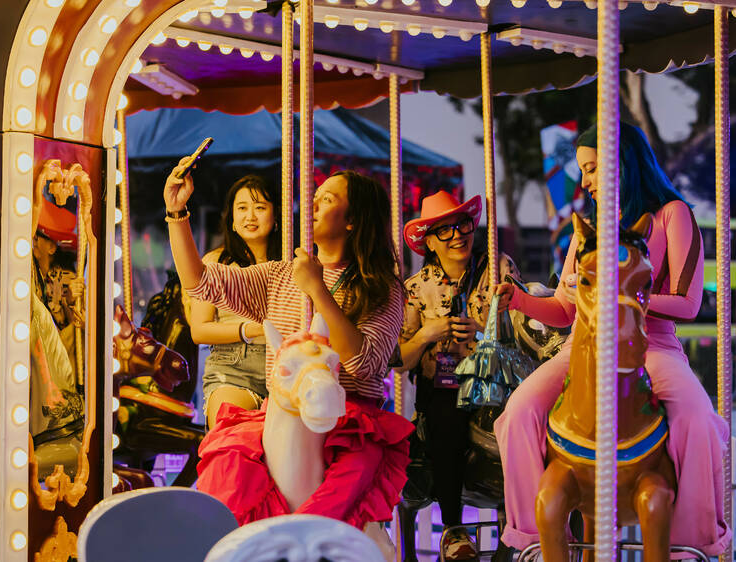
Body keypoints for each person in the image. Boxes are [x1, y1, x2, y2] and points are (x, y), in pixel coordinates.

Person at [491, 122, 731, 555]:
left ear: (623, 164)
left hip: (649, 345)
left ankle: (689, 543)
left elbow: (687, 302)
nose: (584, 181)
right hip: (582, 346)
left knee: (698, 418)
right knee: (518, 410)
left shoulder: (671, 214)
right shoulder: (588, 231)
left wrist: (622, 299)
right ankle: (535, 537)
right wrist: (521, 301)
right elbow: (566, 310)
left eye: (593, 168)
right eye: (583, 170)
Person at [163, 161, 413, 529]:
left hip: (349, 417)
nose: (311, 205)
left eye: (326, 199)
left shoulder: (384, 289)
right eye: (314, 197)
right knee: (226, 460)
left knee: (345, 488)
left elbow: (363, 361)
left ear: (353, 219)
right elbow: (199, 282)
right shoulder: (279, 275)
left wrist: (317, 288)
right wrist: (176, 212)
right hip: (283, 409)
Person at [398, 190, 492, 561]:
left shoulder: (497, 269)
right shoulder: (414, 290)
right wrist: (426, 335)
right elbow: (399, 360)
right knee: (446, 414)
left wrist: (482, 336)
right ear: (429, 244)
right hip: (443, 387)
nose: (457, 235)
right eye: (445, 230)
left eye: (463, 224)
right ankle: (453, 528)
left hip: (493, 384)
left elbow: (520, 330)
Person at [191, 175, 280, 428]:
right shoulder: (216, 262)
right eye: (242, 208)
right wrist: (253, 329)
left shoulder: (291, 263)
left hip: (285, 364)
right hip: (233, 366)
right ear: (231, 218)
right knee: (229, 437)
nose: (250, 216)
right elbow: (199, 329)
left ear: (276, 216)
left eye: (260, 207)